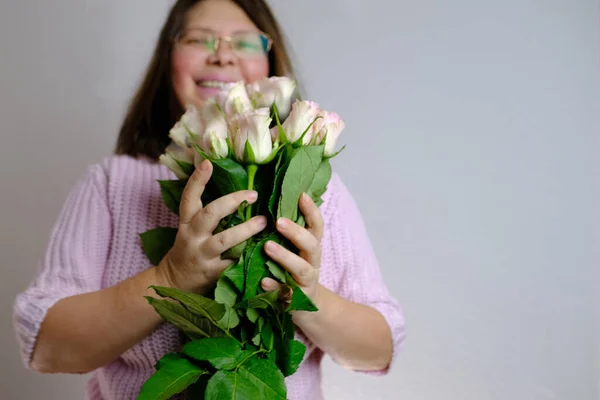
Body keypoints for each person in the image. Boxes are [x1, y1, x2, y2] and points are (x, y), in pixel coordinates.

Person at [12, 0, 406, 399]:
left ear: (272, 62)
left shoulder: (319, 194)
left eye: (246, 42)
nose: (222, 55)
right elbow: (48, 348)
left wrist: (306, 297)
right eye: (199, 39)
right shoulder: (112, 184)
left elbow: (376, 351)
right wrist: (170, 280)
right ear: (168, 59)